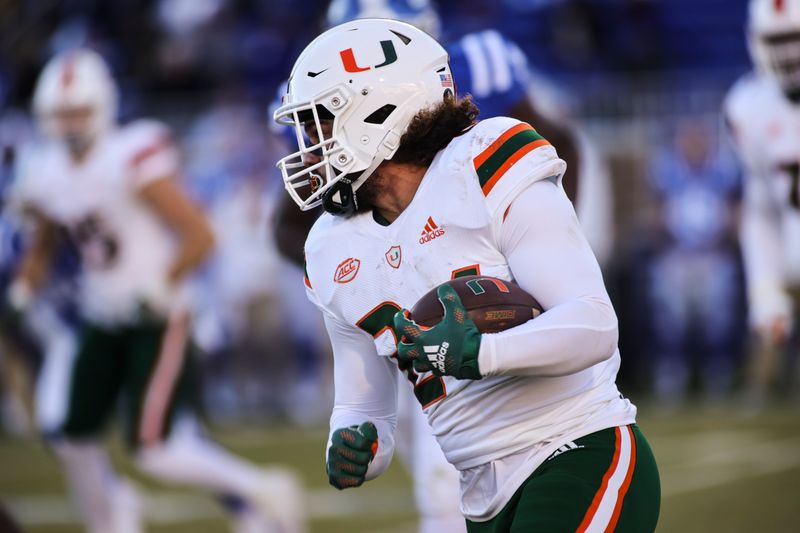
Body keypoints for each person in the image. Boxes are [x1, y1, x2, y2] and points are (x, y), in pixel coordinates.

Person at [274, 18, 660, 532]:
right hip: (478, 495)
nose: (310, 145)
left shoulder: (482, 166)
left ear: (379, 111)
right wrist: (353, 439)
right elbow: (364, 406)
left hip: (577, 448)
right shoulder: (329, 247)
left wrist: (483, 352)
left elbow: (593, 325)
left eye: (322, 123)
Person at [8, 48, 303, 533]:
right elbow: (42, 246)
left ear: (103, 107)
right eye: (63, 114)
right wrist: (23, 289)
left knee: (155, 446)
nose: (72, 124)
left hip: (157, 314)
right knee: (71, 434)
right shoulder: (45, 171)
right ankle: (110, 519)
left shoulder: (131, 155)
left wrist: (158, 286)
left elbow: (200, 235)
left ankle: (262, 490)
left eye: (80, 111)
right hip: (101, 314)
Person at [724, 0, 800, 405]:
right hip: (791, 246)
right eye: (778, 41)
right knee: (768, 332)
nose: (789, 53)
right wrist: (764, 288)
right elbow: (760, 209)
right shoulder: (747, 107)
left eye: (796, 39)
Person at [646, 119, 743, 405]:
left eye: (699, 138)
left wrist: (724, 237)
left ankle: (718, 371)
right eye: (688, 139)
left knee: (718, 314)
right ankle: (672, 371)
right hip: (677, 255)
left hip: (714, 254)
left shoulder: (723, 170)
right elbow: (654, 214)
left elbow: (737, 213)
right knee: (670, 314)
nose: (694, 145)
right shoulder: (666, 169)